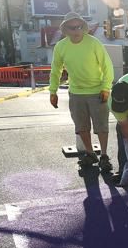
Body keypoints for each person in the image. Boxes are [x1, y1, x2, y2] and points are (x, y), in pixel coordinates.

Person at [49, 12, 114, 171]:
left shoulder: (93, 43)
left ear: (83, 27)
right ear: (65, 29)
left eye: (79, 26)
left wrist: (106, 88)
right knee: (81, 126)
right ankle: (90, 154)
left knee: (101, 126)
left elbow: (107, 66)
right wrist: (53, 91)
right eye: (72, 27)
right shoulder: (61, 47)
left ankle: (104, 156)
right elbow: (56, 70)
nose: (76, 30)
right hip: (76, 93)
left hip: (97, 91)